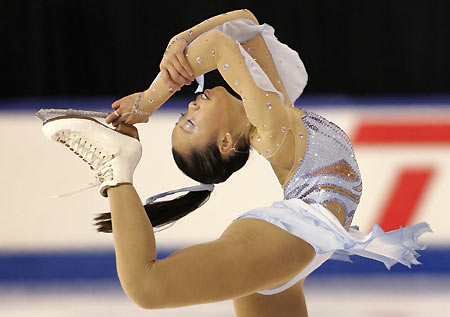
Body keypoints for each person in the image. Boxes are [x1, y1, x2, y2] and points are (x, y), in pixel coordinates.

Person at [41, 9, 431, 317]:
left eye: (183, 115)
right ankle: (117, 168)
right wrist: (149, 100)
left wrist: (181, 39)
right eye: (191, 122)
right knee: (148, 287)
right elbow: (217, 47)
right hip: (292, 234)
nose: (191, 104)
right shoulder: (271, 126)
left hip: (302, 245)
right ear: (227, 143)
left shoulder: (276, 104)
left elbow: (244, 23)